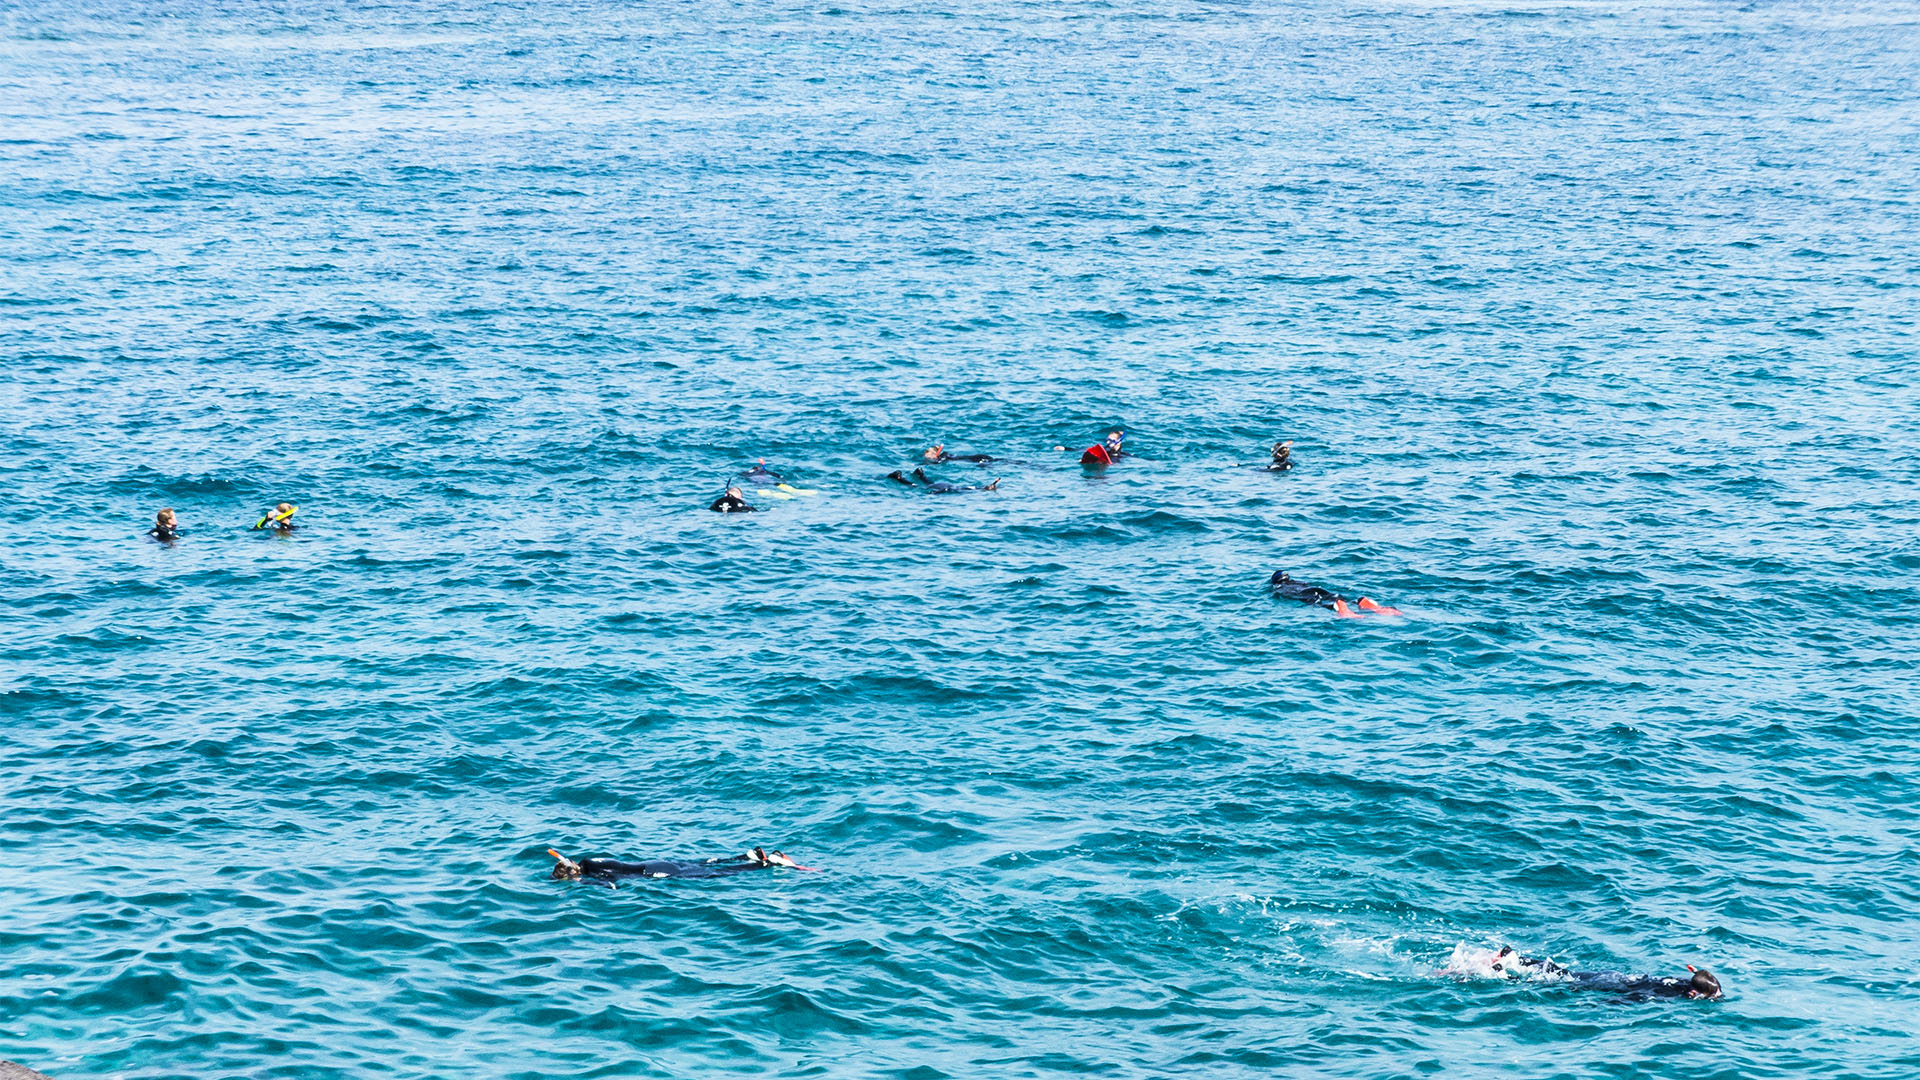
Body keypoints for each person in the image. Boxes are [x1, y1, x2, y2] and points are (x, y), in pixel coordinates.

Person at [1491, 948, 1723, 1000]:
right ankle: (1506, 977)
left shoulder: (1685, 981)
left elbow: (1698, 976)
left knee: (1565, 974)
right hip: (1613, 985)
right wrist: (1611, 1004)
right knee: (1555, 983)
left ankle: (1513, 957)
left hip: (1614, 975)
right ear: (1694, 992)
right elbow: (1641, 997)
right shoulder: (1675, 995)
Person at [549, 846, 810, 887]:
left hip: (655, 873)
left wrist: (584, 883)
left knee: (712, 875)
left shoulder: (592, 874)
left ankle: (766, 864)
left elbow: (612, 885)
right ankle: (748, 856)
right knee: (704, 864)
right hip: (654, 862)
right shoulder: (590, 860)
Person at [1269, 571, 1402, 618]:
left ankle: (1338, 607)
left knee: (1318, 604)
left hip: (1309, 593)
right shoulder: (1300, 582)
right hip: (1321, 590)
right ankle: (1363, 602)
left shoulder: (1280, 588)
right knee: (1338, 597)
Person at [887, 467, 1001, 493]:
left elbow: (979, 487)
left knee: (927, 483)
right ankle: (898, 478)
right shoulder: (973, 490)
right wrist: (935, 494)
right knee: (916, 486)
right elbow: (946, 490)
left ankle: (920, 474)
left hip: (944, 485)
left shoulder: (974, 488)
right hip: (944, 486)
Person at [922, 444, 995, 464]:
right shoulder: (945, 456)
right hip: (977, 458)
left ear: (934, 454)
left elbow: (937, 463)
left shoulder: (943, 457)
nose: (926, 456)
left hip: (977, 459)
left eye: (928, 455)